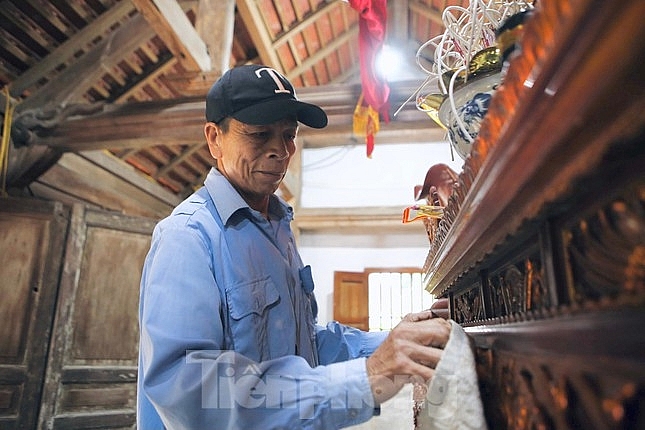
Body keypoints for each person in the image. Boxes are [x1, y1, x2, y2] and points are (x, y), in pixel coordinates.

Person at [137, 64, 452, 429]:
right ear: (214, 138)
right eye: (259, 134)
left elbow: (306, 343)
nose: (280, 151)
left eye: (289, 135)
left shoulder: (278, 229)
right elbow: (189, 389)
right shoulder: (187, 237)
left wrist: (397, 341)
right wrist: (364, 376)